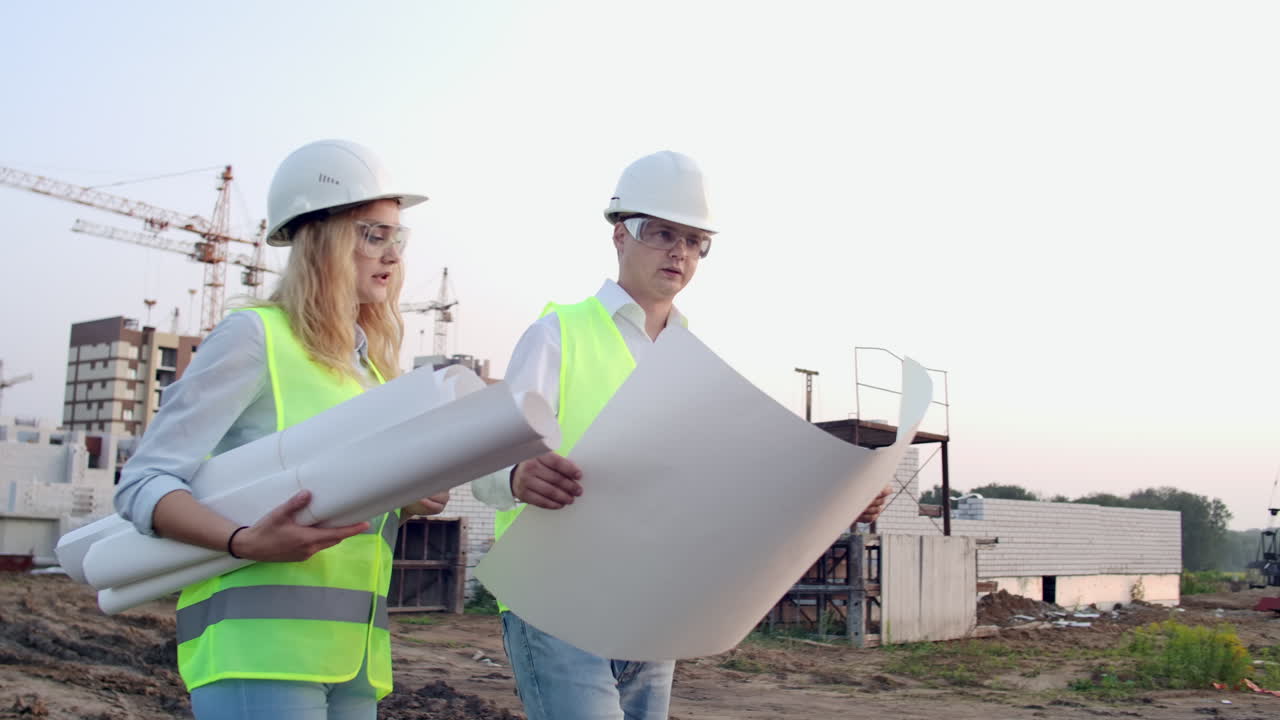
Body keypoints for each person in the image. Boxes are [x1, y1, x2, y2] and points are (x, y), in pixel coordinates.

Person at [472, 150, 892, 720]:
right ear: (620, 236)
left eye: (696, 241)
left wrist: (840, 499)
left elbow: (727, 489)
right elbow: (482, 464)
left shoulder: (691, 362)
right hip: (556, 597)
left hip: (653, 604)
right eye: (662, 232)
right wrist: (517, 476)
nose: (680, 252)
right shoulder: (557, 335)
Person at [115, 139, 448, 720]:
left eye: (398, 237)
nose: (392, 256)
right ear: (319, 238)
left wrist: (409, 497)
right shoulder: (255, 339)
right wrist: (244, 542)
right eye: (374, 234)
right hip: (258, 655)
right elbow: (142, 483)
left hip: (354, 661)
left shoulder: (369, 370)